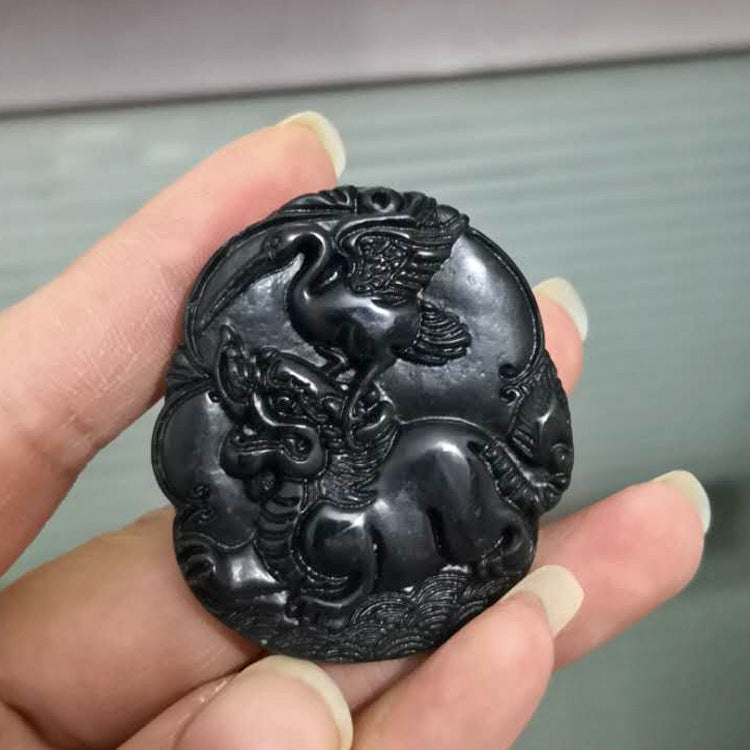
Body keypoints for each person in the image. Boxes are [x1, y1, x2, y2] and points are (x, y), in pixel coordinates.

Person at [0, 111, 709, 750]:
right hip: (332, 467)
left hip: (367, 444)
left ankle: (482, 538)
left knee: (437, 481)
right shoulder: (291, 360)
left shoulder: (357, 344)